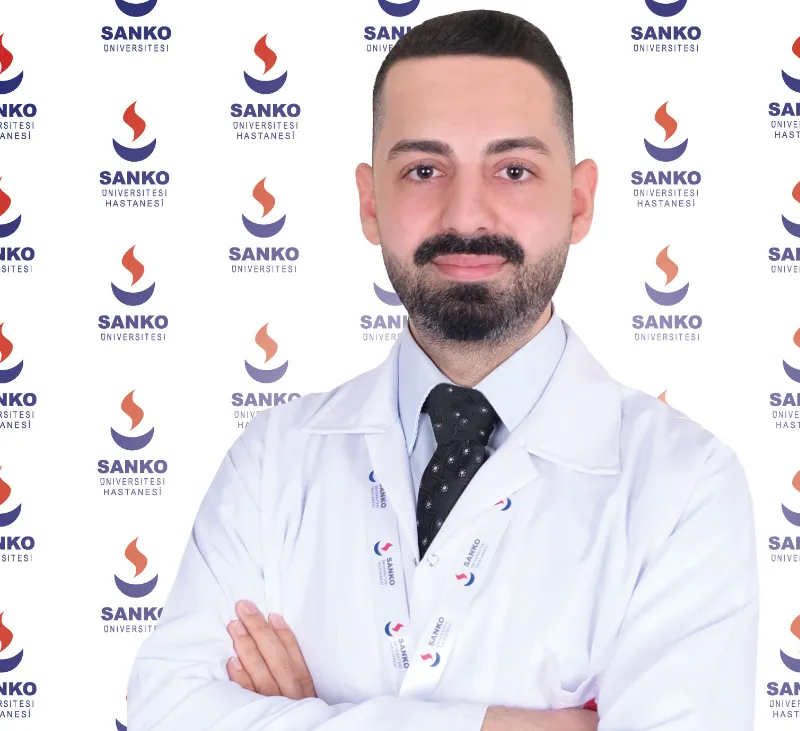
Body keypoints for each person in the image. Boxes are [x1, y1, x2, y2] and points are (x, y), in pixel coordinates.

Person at [126, 9, 758, 731]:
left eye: (513, 170)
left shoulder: (684, 485)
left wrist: (306, 717)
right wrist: (501, 725)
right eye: (424, 170)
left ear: (579, 202)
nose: (466, 215)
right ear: (370, 202)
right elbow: (165, 711)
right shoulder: (272, 460)